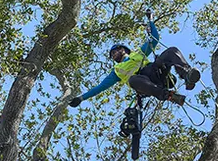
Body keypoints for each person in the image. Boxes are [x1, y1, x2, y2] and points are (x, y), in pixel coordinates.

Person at [69, 10, 201, 108]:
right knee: (133, 79)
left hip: (156, 72)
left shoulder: (138, 54)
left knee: (172, 51)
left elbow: (154, 38)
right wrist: (81, 98)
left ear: (123, 50)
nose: (113, 54)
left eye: (115, 51)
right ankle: (169, 96)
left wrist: (150, 20)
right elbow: (100, 87)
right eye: (112, 54)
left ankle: (187, 75)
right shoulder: (117, 71)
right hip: (143, 82)